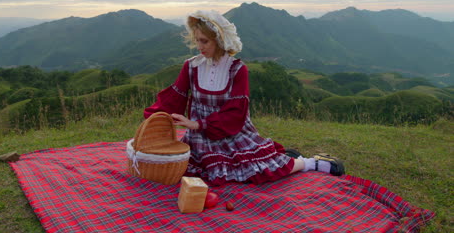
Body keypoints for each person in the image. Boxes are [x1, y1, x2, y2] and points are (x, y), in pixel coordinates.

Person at [144, 10, 344, 186]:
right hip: (199, 138)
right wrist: (154, 118)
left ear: (219, 41)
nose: (199, 46)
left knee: (256, 172)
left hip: (231, 133)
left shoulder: (237, 69)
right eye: (196, 40)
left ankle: (309, 163)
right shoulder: (191, 66)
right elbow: (173, 98)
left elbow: (236, 114)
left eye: (204, 41)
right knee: (193, 171)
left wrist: (197, 124)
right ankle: (288, 158)